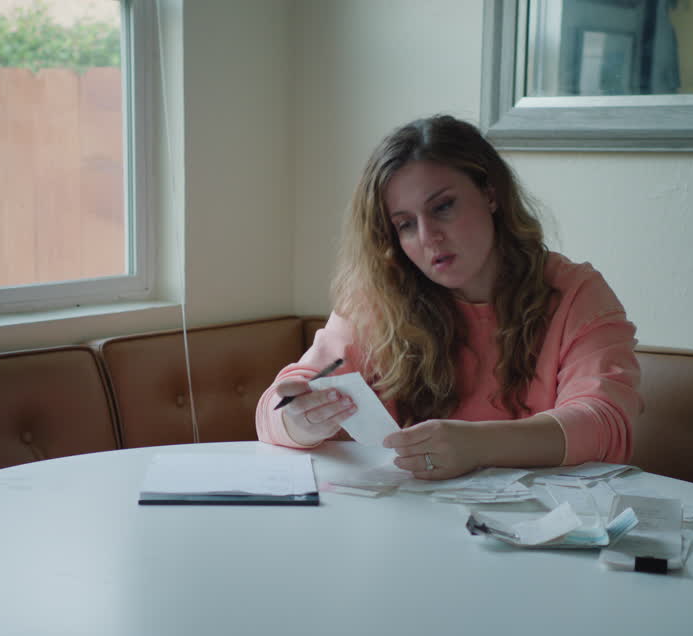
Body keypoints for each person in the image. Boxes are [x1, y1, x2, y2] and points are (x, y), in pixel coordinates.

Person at [255, 115, 641, 479]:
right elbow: (279, 405)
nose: (428, 237)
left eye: (443, 207)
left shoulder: (575, 293)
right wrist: (298, 421)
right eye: (405, 224)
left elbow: (604, 424)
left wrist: (478, 445)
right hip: (409, 523)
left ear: (490, 194)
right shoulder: (377, 300)